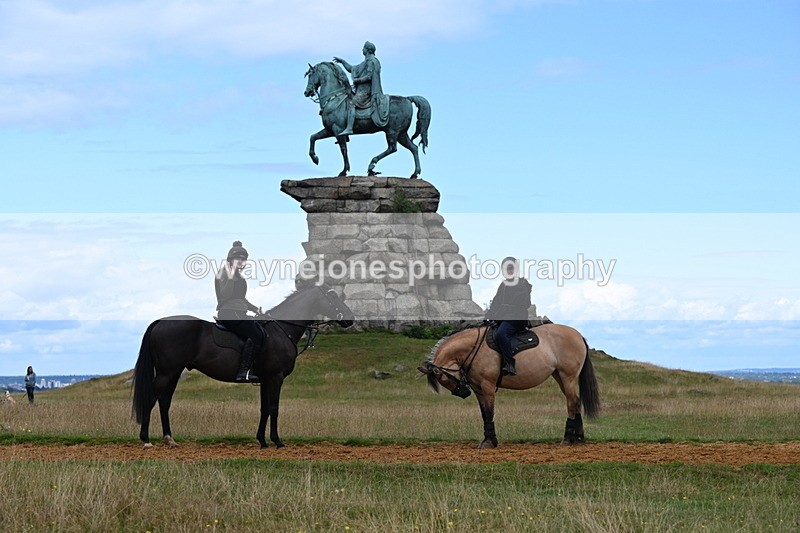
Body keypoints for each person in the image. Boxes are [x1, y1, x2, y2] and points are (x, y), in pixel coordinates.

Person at [215, 241, 263, 383]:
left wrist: (255, 309)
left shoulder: (238, 275)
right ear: (231, 259)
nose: (241, 261)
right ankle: (244, 371)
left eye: (243, 259)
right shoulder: (224, 273)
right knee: (256, 335)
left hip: (238, 312)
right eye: (238, 258)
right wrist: (231, 277)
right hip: (229, 313)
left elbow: (241, 299)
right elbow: (225, 295)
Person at [485, 257, 532, 376]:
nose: (509, 271)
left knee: (501, 333)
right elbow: (496, 302)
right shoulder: (503, 285)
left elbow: (526, 303)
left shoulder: (522, 283)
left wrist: (505, 311)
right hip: (504, 318)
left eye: (511, 268)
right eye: (507, 269)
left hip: (517, 318)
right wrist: (488, 316)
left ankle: (510, 364)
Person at [333, 40, 389, 135]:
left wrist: (357, 80)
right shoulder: (366, 62)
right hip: (361, 90)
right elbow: (352, 69)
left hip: (366, 91)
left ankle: (349, 128)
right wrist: (342, 62)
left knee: (351, 103)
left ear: (367, 50)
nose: (362, 49)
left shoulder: (372, 61)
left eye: (363, 48)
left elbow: (369, 76)